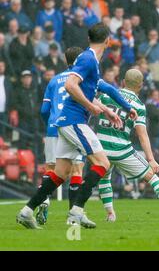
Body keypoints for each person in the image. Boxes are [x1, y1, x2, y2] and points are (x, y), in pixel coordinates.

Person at [17, 23, 138, 229]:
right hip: (74, 121)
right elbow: (70, 85)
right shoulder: (88, 58)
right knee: (103, 163)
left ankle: (26, 211)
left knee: (61, 173)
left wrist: (119, 108)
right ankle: (77, 210)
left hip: (64, 122)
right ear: (107, 41)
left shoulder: (91, 61)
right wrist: (90, 106)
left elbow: (104, 88)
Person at [96, 69, 159, 222]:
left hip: (101, 149)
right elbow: (142, 134)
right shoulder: (139, 105)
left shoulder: (106, 95)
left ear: (122, 82)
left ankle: (110, 214)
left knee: (105, 179)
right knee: (152, 178)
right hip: (122, 150)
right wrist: (151, 159)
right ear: (140, 86)